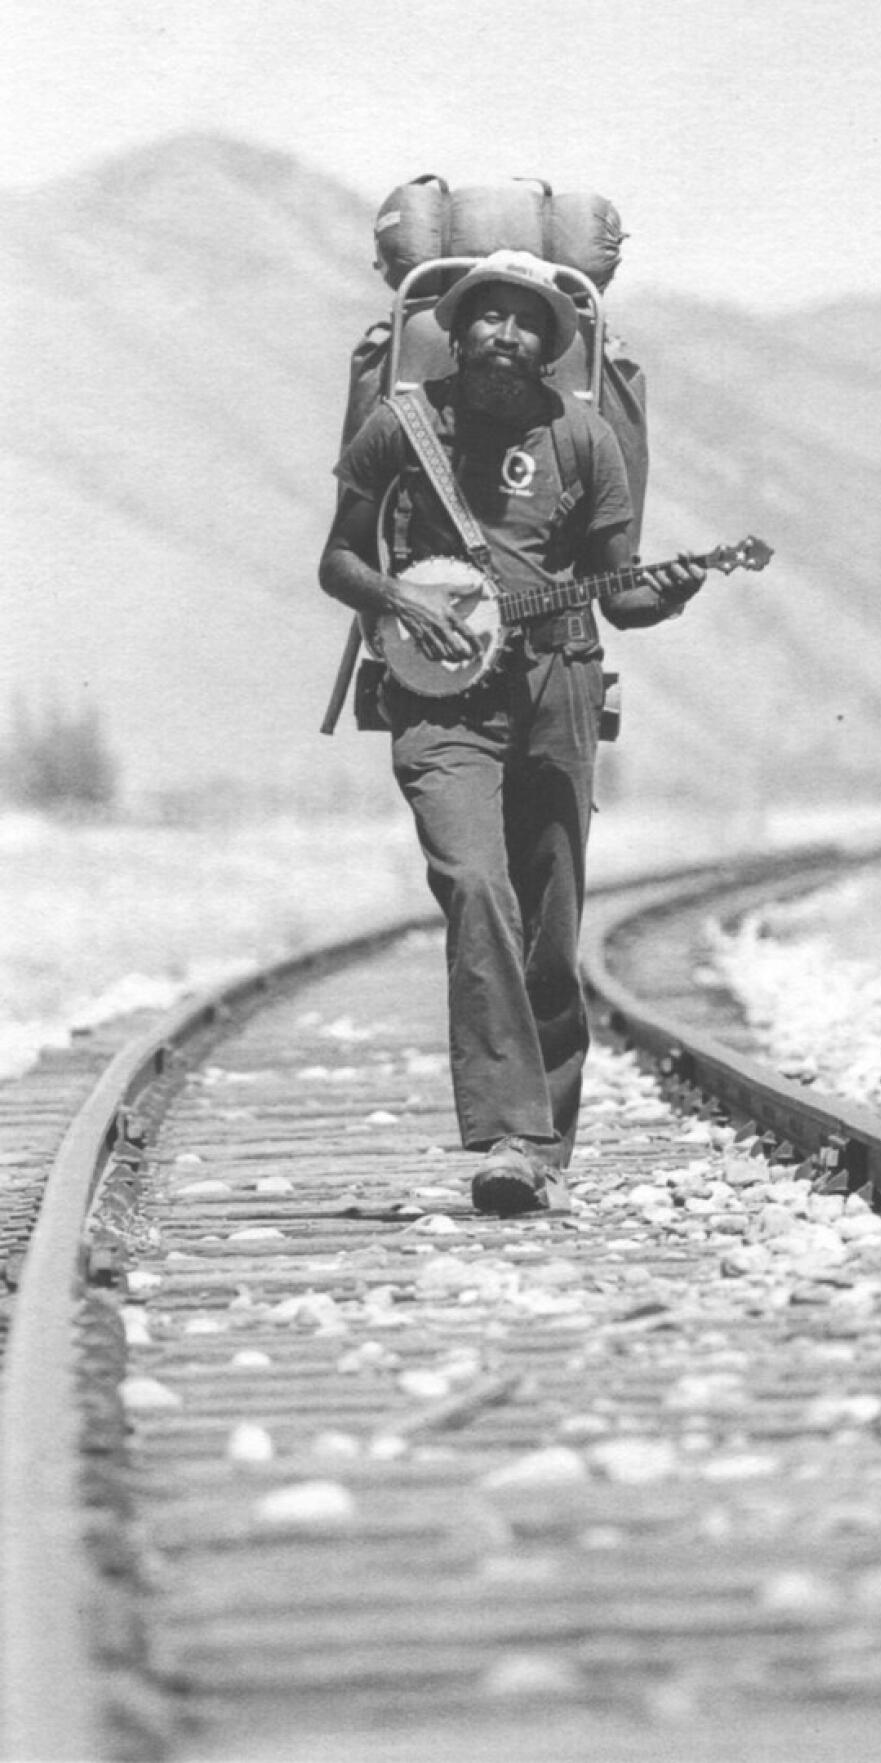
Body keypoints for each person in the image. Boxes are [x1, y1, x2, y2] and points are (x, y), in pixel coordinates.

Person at [318, 249, 704, 1216]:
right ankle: (511, 1136)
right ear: (454, 329)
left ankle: (545, 1142)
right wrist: (397, 592)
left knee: (550, 911)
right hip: (440, 697)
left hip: (556, 684)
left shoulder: (585, 440)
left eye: (525, 320)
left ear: (549, 345)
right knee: (475, 885)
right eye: (485, 315)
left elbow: (623, 591)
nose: (503, 333)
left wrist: (668, 593)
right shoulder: (398, 426)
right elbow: (337, 558)